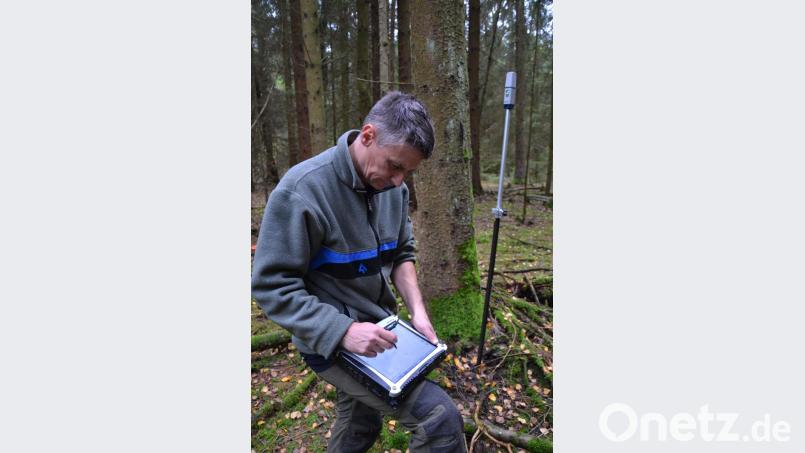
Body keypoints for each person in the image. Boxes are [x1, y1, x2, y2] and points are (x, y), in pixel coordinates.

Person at [252, 91, 467, 452]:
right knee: (439, 420)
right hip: (330, 343)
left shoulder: (391, 191)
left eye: (408, 172)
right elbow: (272, 286)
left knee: (361, 421)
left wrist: (418, 311)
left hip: (381, 332)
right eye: (395, 166)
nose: (400, 181)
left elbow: (402, 254)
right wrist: (343, 332)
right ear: (368, 136)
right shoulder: (303, 191)